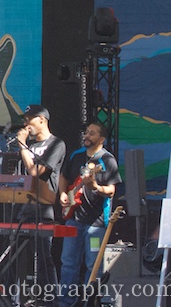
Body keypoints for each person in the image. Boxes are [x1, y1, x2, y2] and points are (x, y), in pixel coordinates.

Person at [58, 122, 120, 307]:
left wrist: (95, 187)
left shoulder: (107, 160)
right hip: (74, 219)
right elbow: (63, 177)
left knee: (94, 266)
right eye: (86, 132)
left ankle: (90, 303)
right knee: (68, 263)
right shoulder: (76, 155)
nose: (87, 135)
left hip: (96, 222)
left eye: (92, 133)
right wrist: (62, 194)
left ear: (102, 139)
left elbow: (111, 191)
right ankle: (65, 303)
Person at [14, 104, 66, 302]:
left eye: (29, 119)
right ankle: (16, 299)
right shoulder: (30, 146)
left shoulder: (56, 144)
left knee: (43, 258)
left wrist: (22, 146)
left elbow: (37, 172)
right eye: (25, 120)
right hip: (23, 207)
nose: (26, 124)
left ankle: (51, 301)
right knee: (16, 256)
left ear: (42, 120)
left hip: (43, 208)